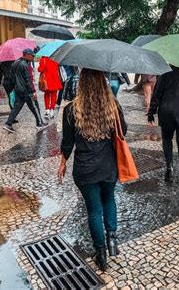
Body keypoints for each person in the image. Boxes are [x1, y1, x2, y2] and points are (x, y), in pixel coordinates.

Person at [57, 69, 127, 271]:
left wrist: (62, 163)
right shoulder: (113, 105)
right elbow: (124, 130)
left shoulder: (71, 109)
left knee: (94, 210)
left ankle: (101, 253)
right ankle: (112, 239)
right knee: (109, 199)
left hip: (85, 169)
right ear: (102, 83)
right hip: (108, 166)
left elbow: (68, 143)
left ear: (82, 84)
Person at [3, 49, 45, 133]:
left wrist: (14, 88)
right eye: (32, 55)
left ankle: (8, 123)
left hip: (18, 89)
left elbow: (11, 78)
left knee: (17, 107)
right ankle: (39, 123)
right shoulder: (25, 65)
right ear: (27, 55)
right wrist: (32, 91)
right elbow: (28, 80)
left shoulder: (15, 63)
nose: (33, 57)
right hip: (26, 91)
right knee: (34, 106)